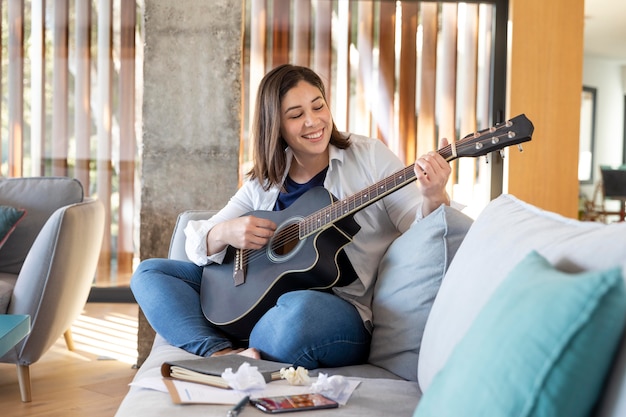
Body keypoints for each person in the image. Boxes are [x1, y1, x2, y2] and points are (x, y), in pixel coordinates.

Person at [131, 64, 451, 369]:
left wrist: (433, 195)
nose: (313, 122)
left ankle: (242, 344)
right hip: (258, 305)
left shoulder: (368, 156)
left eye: (318, 106)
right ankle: (222, 353)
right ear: (276, 126)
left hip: (334, 311)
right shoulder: (265, 180)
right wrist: (225, 232)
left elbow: (421, 230)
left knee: (298, 312)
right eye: (296, 115)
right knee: (150, 273)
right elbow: (198, 239)